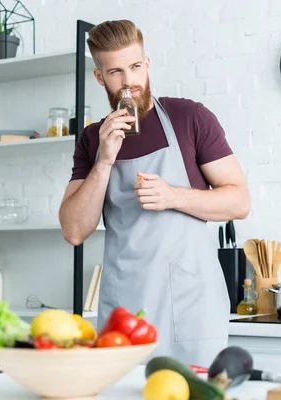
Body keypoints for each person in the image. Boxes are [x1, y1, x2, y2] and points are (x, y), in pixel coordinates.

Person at [58, 19, 251, 365]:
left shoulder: (190, 118)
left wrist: (173, 196)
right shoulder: (91, 140)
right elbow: (74, 231)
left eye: (135, 67)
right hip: (125, 309)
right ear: (100, 77)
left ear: (147, 64)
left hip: (192, 304)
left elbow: (239, 201)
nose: (129, 81)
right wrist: (103, 161)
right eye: (116, 72)